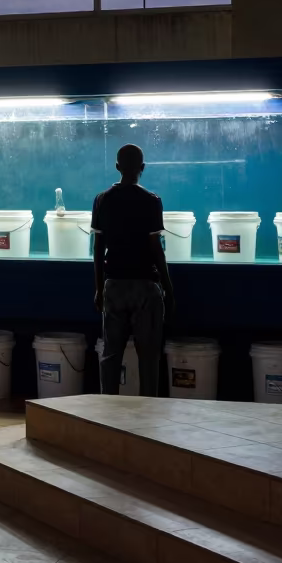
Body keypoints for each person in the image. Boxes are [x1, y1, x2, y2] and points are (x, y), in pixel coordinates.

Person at [92, 143, 174, 397]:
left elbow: (97, 249)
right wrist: (168, 289)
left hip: (114, 284)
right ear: (143, 168)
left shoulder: (102, 200)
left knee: (111, 355)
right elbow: (156, 250)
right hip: (145, 287)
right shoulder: (151, 201)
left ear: (117, 167)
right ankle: (148, 410)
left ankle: (108, 408)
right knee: (148, 356)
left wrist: (98, 289)